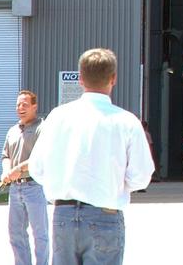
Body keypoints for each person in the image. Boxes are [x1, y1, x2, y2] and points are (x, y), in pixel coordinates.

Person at [29, 48, 155, 264]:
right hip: (105, 214)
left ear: (80, 78)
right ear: (113, 78)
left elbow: (37, 169)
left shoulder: (58, 117)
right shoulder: (126, 121)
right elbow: (141, 176)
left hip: (64, 215)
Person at [1, 89, 50, 264]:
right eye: (18, 105)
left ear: (34, 106)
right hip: (15, 189)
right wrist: (7, 170)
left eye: (25, 104)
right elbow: (5, 155)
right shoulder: (13, 130)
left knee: (40, 234)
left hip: (34, 186)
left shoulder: (42, 128)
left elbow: (42, 156)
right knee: (16, 233)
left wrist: (20, 169)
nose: (20, 108)